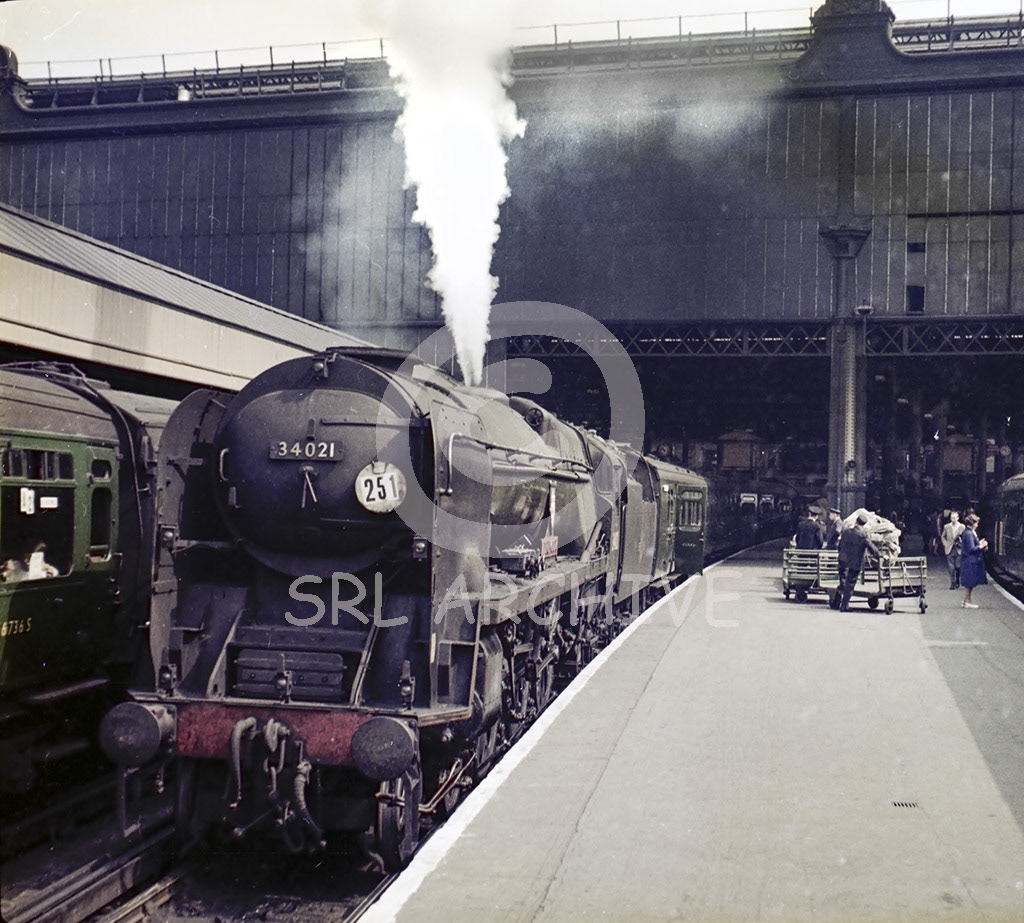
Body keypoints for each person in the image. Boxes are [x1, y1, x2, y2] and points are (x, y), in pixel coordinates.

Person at [833, 514, 880, 612]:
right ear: (864, 525)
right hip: (855, 563)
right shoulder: (863, 535)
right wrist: (880, 556)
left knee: (843, 581)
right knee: (850, 584)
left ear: (856, 522)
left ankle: (836, 601)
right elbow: (872, 548)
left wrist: (841, 554)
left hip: (843, 560)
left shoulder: (846, 532)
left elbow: (840, 545)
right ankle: (844, 606)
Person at [959, 513, 987, 609]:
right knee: (969, 583)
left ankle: (965, 600)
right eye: (976, 523)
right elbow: (971, 549)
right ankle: (968, 601)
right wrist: (981, 546)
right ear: (972, 523)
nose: (977, 525)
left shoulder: (968, 532)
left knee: (969, 582)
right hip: (970, 561)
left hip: (968, 561)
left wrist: (979, 543)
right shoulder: (969, 533)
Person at [940, 511, 965, 590]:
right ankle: (952, 583)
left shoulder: (962, 527)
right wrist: (945, 544)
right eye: (952, 518)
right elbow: (943, 536)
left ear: (958, 518)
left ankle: (958, 579)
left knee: (958, 566)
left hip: (959, 549)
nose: (953, 519)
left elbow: (965, 537)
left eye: (955, 518)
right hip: (949, 548)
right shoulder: (946, 527)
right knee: (951, 567)